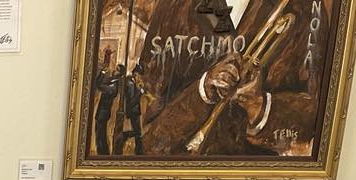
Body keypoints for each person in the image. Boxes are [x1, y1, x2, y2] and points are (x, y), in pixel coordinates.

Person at [138, 0, 329, 156]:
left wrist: (259, 106)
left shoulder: (306, 9)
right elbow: (148, 138)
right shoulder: (173, 7)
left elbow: (318, 121)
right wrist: (202, 92)